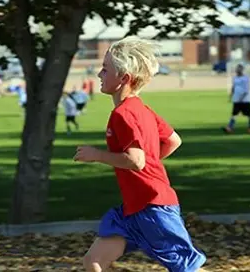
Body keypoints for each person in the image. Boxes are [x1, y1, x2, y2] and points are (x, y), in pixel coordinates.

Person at [73, 36, 207, 272]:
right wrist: (150, 162)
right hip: (133, 209)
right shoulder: (142, 109)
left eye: (105, 70)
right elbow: (174, 140)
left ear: (124, 78)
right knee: (93, 261)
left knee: (186, 267)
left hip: (153, 206)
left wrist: (97, 154)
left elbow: (136, 161)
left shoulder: (123, 114)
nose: (99, 75)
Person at [222, 63, 250, 134]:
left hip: (245, 100)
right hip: (236, 99)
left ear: (242, 70)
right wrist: (231, 96)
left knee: (249, 115)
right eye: (237, 69)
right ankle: (229, 128)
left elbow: (246, 90)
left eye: (238, 69)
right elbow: (233, 87)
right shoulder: (235, 78)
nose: (237, 70)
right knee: (234, 114)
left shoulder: (246, 78)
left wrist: (241, 98)